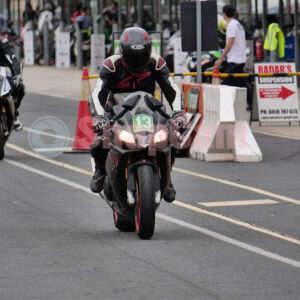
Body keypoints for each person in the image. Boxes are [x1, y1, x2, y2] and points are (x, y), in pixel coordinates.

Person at [88, 27, 186, 203]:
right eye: (132, 58)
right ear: (122, 52)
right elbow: (98, 94)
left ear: (149, 51)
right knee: (98, 142)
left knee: (173, 138)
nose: (137, 63)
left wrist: (179, 114)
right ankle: (101, 170)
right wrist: (99, 118)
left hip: (149, 109)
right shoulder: (111, 65)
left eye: (141, 58)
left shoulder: (157, 62)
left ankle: (167, 174)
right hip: (117, 112)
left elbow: (173, 90)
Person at [214, 5, 252, 110]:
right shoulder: (238, 24)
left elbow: (229, 44)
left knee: (228, 82)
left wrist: (221, 58)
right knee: (239, 81)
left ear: (224, 14)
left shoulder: (231, 26)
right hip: (239, 58)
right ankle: (249, 102)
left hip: (235, 59)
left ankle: (225, 106)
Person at [0, 37, 25, 131]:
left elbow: (14, 62)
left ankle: (14, 116)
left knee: (19, 88)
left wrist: (17, 77)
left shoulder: (2, 43)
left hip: (2, 76)